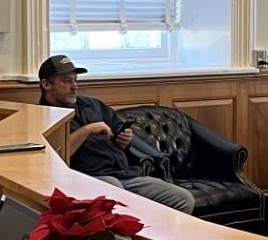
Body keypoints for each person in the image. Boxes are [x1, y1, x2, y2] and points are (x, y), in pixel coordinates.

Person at [38, 54, 195, 213]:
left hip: (124, 175)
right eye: (66, 81)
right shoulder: (42, 116)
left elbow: (119, 130)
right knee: (114, 190)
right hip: (86, 179)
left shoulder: (92, 105)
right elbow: (55, 156)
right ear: (46, 84)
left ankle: (151, 229)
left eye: (75, 80)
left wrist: (124, 139)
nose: (74, 86)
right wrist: (86, 130)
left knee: (182, 198)